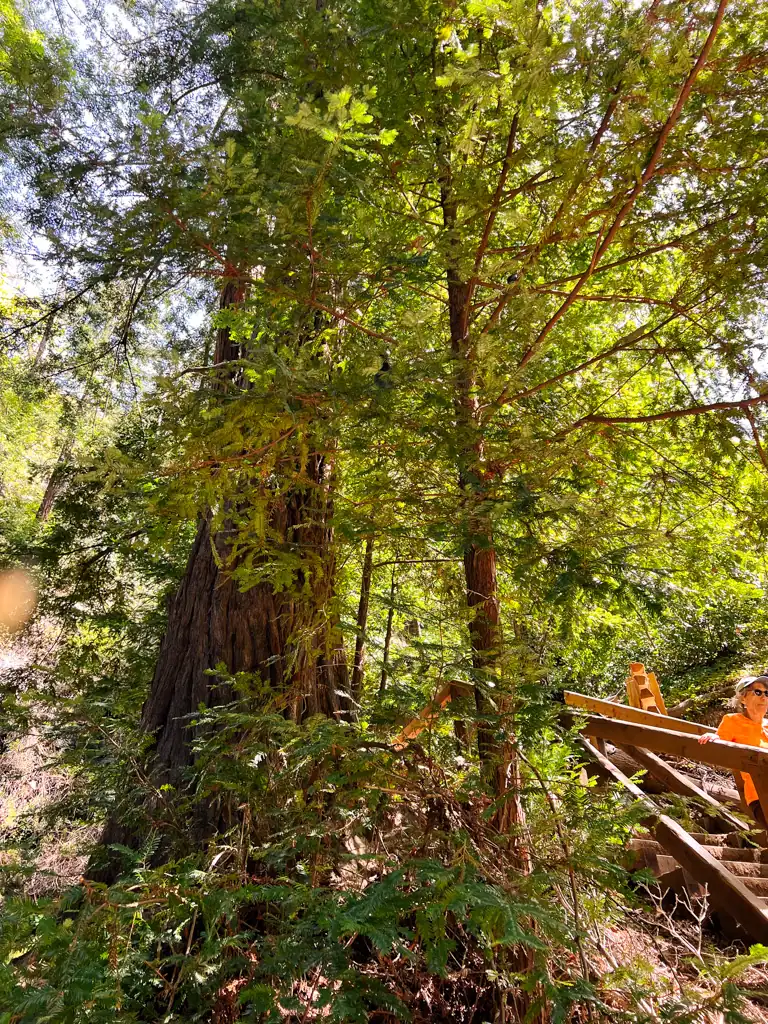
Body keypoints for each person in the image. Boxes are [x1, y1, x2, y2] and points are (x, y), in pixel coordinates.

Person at [698, 675, 768, 826]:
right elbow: (720, 749)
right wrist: (715, 737)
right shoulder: (733, 721)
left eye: (767, 693)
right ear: (743, 699)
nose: (764, 697)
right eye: (758, 692)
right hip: (761, 796)